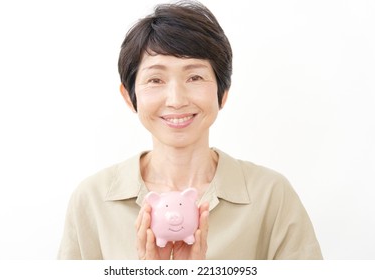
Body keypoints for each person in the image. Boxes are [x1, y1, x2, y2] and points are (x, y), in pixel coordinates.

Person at [58, 0, 323, 260]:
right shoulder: (92, 199)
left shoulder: (271, 195)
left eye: (194, 77)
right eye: (155, 79)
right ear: (130, 97)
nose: (176, 99)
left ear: (223, 92)